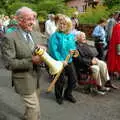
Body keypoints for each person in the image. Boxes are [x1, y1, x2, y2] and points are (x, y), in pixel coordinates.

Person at [1, 7, 47, 120]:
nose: (33, 22)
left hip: (36, 77)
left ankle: (27, 117)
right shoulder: (9, 37)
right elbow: (9, 63)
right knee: (34, 109)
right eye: (29, 19)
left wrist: (44, 49)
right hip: (23, 79)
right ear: (19, 20)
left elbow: (44, 47)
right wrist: (32, 60)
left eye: (33, 19)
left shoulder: (35, 34)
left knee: (31, 107)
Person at [48, 14, 77, 105]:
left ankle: (68, 94)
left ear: (68, 25)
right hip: (59, 61)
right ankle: (59, 96)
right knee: (61, 81)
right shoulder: (54, 36)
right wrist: (60, 60)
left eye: (64, 24)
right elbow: (53, 50)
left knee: (73, 79)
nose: (62, 25)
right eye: (60, 23)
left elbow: (73, 47)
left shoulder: (71, 36)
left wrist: (75, 52)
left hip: (69, 60)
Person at [107, 13, 120, 77]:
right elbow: (117, 39)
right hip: (116, 45)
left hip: (116, 44)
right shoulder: (117, 25)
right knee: (116, 59)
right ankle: (116, 72)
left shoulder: (117, 25)